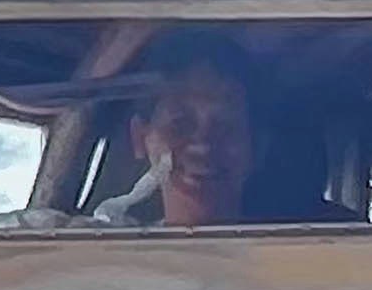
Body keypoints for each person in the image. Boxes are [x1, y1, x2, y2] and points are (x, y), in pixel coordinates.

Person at [86, 51, 257, 229]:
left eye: (225, 126)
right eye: (179, 124)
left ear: (257, 146)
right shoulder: (96, 248)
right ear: (140, 138)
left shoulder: (283, 249)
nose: (201, 148)